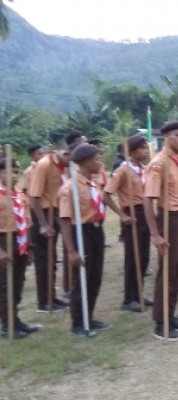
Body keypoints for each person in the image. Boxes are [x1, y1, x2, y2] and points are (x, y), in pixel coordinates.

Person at [144, 121, 178, 341]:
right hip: (168, 217)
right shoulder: (159, 163)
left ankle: (171, 313)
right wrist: (155, 234)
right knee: (167, 271)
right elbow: (148, 200)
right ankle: (161, 321)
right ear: (166, 136)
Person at [58, 143, 109, 337]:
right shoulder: (70, 187)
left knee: (95, 276)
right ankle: (78, 322)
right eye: (97, 159)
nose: (100, 162)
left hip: (96, 231)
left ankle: (90, 315)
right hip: (81, 232)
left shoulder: (92, 183)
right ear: (87, 162)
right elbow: (64, 219)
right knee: (81, 279)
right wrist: (71, 251)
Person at [104, 136, 151, 312]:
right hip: (132, 212)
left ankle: (139, 293)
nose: (146, 151)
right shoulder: (123, 170)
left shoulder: (144, 169)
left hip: (145, 211)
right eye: (142, 148)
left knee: (144, 255)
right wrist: (122, 215)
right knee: (133, 257)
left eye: (146, 148)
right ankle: (128, 298)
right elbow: (106, 194)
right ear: (132, 151)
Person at [27, 144, 70, 312]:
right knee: (44, 260)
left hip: (55, 210)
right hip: (43, 214)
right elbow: (34, 196)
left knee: (52, 259)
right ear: (65, 153)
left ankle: (51, 297)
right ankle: (44, 302)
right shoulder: (43, 165)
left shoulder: (62, 166)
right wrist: (43, 224)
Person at [0, 158, 39, 339]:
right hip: (3, 241)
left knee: (17, 282)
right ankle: (6, 325)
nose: (14, 176)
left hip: (20, 240)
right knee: (4, 285)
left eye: (16, 172)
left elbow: (27, 222)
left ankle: (15, 319)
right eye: (9, 172)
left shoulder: (19, 195)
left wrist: (28, 247)